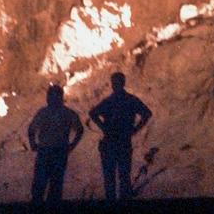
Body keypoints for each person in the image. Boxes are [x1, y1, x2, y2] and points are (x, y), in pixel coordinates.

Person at [89, 72, 152, 201]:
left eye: (115, 82)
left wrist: (104, 127)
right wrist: (135, 129)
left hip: (110, 141)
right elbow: (147, 113)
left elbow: (93, 113)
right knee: (123, 175)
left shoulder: (109, 101)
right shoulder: (130, 99)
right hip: (123, 141)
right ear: (124, 83)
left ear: (113, 84)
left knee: (110, 177)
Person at [28, 84, 83, 204]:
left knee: (43, 183)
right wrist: (72, 145)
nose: (49, 98)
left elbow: (31, 129)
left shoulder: (45, 112)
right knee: (54, 184)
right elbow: (79, 129)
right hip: (57, 151)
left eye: (51, 96)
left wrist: (33, 144)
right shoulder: (67, 113)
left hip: (49, 150)